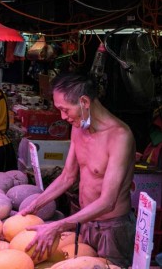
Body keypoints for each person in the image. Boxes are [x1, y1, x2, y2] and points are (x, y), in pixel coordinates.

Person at [19, 72, 136, 268]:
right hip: (85, 221)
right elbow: (67, 177)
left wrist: (58, 225)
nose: (63, 117)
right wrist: (34, 205)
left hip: (112, 230)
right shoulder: (79, 127)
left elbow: (108, 202)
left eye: (65, 110)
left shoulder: (120, 136)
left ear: (84, 102)